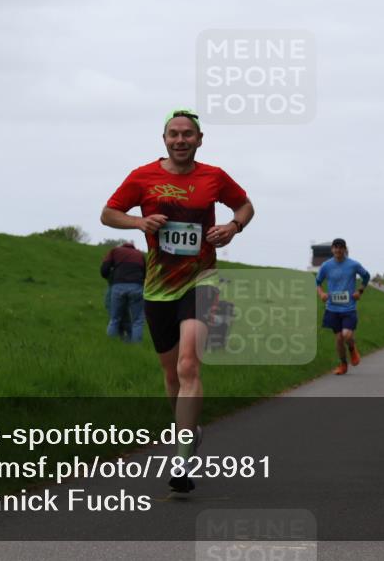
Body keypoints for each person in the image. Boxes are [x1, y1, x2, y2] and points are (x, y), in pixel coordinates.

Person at [100, 109, 254, 493]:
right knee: (171, 376)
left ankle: (182, 457)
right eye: (174, 134)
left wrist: (233, 227)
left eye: (188, 134)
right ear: (164, 139)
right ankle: (188, 431)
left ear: (200, 140)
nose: (181, 140)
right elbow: (108, 214)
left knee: (189, 365)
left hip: (201, 281)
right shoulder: (142, 177)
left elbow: (245, 206)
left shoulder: (214, 177)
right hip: (157, 286)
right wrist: (138, 222)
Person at [316, 238, 370, 375]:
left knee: (346, 335)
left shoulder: (353, 265)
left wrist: (360, 291)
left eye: (341, 247)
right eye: (336, 247)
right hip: (332, 308)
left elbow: (366, 276)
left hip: (349, 308)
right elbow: (317, 282)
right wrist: (321, 293)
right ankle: (343, 365)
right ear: (332, 249)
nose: (338, 250)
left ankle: (352, 349)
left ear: (345, 249)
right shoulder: (326, 266)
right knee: (339, 338)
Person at [100, 241, 146, 343]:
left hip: (118, 287)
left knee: (115, 318)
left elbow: (104, 269)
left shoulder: (115, 251)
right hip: (136, 287)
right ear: (133, 247)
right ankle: (136, 347)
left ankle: (110, 344)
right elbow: (146, 274)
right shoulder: (139, 254)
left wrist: (110, 277)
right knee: (137, 320)